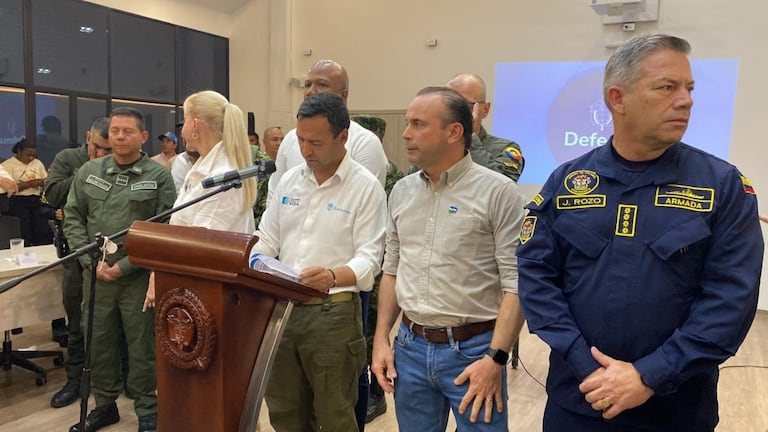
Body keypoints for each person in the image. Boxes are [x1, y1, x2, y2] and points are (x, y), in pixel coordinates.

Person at [516, 34, 763, 432]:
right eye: (667, 87)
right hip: (580, 401)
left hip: (676, 409)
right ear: (618, 99)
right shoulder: (567, 182)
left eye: (689, 88)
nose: (686, 100)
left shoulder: (722, 186)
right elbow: (536, 277)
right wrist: (586, 364)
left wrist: (649, 375)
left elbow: (731, 298)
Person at [371, 87, 526, 431]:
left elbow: (517, 284)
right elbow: (392, 270)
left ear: (454, 132)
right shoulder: (402, 191)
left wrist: (496, 359)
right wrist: (381, 339)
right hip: (410, 348)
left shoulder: (498, 193)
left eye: (418, 124)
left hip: (474, 352)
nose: (406, 133)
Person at [252, 92, 386, 431]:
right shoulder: (288, 179)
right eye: (300, 140)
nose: (306, 150)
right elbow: (267, 238)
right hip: (281, 311)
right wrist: (255, 261)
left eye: (316, 142)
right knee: (285, 412)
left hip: (333, 312)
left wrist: (331, 275)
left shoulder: (365, 187)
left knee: (334, 416)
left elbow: (370, 259)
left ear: (343, 137)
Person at [64, 107, 176, 432]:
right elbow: (72, 216)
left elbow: (165, 230)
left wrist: (124, 267)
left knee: (141, 346)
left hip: (137, 278)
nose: (119, 136)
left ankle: (147, 411)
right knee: (98, 342)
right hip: (95, 277)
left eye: (127, 131)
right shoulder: (89, 171)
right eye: (114, 130)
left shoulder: (157, 177)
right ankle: (105, 405)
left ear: (142, 137)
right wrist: (89, 261)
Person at [142, 90, 257, 309]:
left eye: (184, 120)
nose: (182, 130)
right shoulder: (201, 167)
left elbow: (201, 244)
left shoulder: (222, 175)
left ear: (195, 126)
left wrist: (160, 272)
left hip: (210, 293)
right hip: (193, 288)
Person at [44, 117, 112, 409]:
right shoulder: (69, 158)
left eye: (108, 150)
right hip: (76, 253)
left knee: (111, 323)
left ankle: (110, 381)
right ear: (88, 137)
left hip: (111, 253)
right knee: (77, 321)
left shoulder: (119, 165)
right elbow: (53, 194)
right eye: (98, 147)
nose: (102, 155)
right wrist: (87, 171)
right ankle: (75, 380)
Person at [269, 59, 388, 199]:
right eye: (307, 84)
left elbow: (364, 200)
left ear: (343, 96)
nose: (310, 91)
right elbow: (274, 195)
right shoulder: (290, 139)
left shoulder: (365, 143)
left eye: (321, 84)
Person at [351, 114, 404, 425]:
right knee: (368, 335)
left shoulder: (390, 174)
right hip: (380, 260)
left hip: (378, 261)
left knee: (370, 334)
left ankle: (375, 393)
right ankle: (372, 391)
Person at [447, 73, 525, 182]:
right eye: (450, 105)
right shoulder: (434, 146)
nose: (456, 113)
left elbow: (503, 185)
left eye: (466, 106)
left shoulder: (503, 148)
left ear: (485, 110)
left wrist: (469, 138)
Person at [1, 137, 51, 246]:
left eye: (33, 155)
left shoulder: (37, 163)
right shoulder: (8, 165)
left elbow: (46, 179)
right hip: (18, 200)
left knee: (40, 229)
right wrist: (28, 184)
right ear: (19, 151)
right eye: (28, 155)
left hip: (36, 199)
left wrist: (40, 182)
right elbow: (9, 187)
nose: (31, 158)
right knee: (24, 229)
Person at [252, 127, 283, 228]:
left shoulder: (285, 167)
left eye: (282, 139)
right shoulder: (258, 166)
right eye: (275, 139)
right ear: (264, 142)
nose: (279, 143)